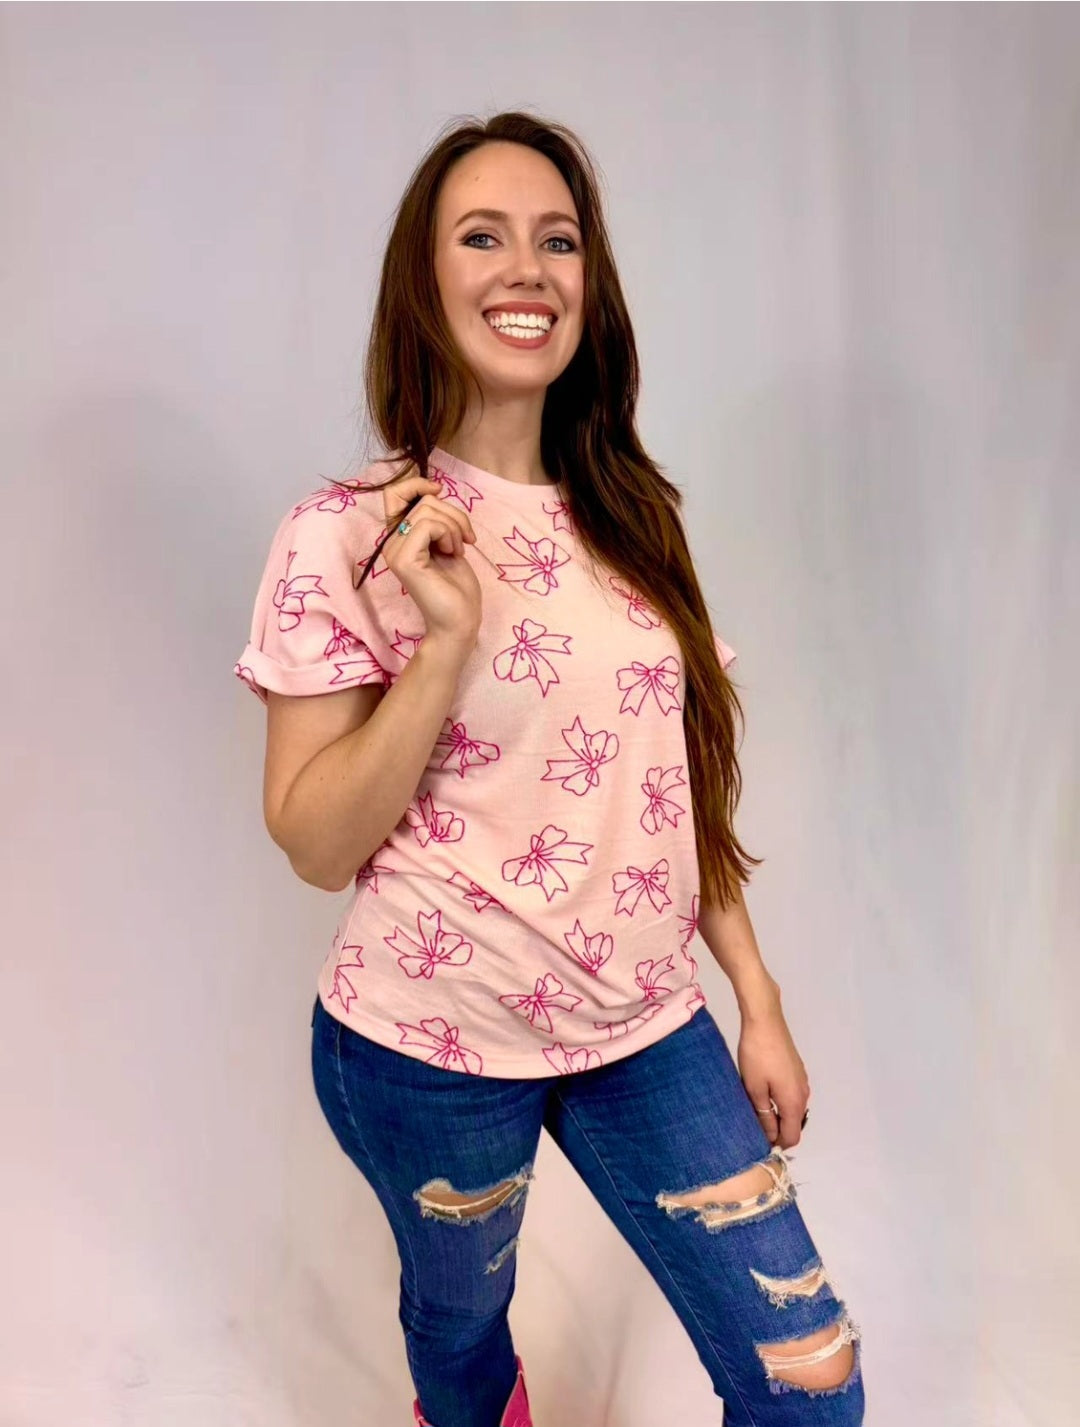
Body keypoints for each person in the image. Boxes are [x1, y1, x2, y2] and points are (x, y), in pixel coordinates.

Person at [234, 110, 865, 1427]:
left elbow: (677, 785)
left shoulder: (632, 517)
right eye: (483, 237)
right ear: (424, 280)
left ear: (591, 283)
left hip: (647, 1030)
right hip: (430, 1041)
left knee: (810, 1385)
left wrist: (755, 997)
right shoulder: (348, 533)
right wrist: (443, 648)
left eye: (558, 241)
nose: (526, 269)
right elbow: (313, 844)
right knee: (463, 1336)